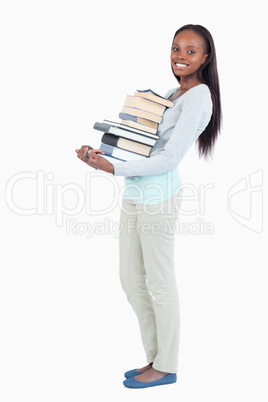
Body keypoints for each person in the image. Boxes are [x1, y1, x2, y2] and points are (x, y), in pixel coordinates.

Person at [76, 24, 222, 389]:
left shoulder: (199, 97)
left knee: (160, 281)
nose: (181, 56)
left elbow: (169, 158)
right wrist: (102, 155)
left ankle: (167, 366)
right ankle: (155, 358)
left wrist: (113, 168)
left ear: (206, 57)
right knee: (129, 278)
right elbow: (146, 145)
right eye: (176, 48)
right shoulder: (176, 92)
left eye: (191, 51)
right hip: (135, 193)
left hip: (160, 198)